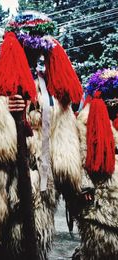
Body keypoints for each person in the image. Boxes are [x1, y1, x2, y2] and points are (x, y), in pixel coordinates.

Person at [0, 11, 83, 259]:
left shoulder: (47, 80)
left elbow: (63, 130)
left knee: (27, 248)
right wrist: (3, 108)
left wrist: (72, 182)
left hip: (37, 187)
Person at [74, 68, 118, 259]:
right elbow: (80, 156)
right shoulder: (87, 122)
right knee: (101, 246)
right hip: (101, 198)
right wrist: (84, 186)